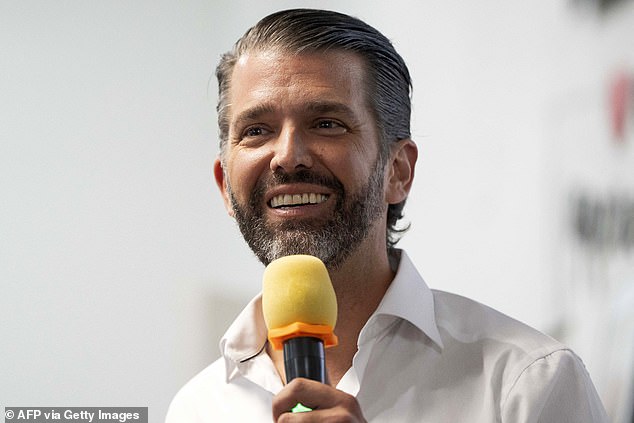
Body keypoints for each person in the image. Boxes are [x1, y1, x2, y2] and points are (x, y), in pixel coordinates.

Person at [166, 8, 608, 422]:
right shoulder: (196, 407)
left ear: (398, 170)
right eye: (256, 131)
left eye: (327, 123)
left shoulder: (527, 383)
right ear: (225, 184)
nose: (287, 156)